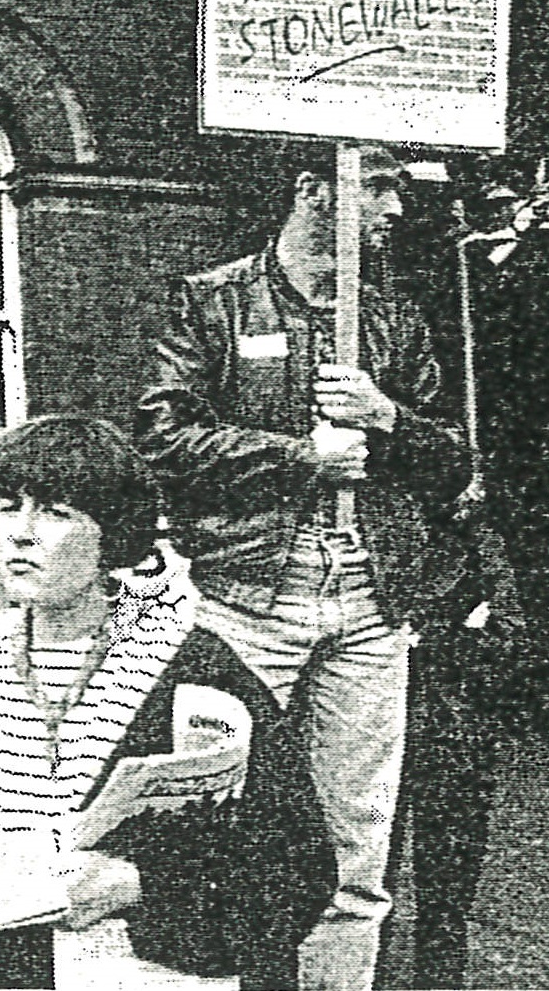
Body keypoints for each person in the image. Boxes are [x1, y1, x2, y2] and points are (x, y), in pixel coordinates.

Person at [136, 144, 470, 991]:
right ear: (314, 191)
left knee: (358, 843)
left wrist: (386, 416)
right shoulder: (213, 300)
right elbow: (161, 438)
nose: (395, 211)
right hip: (245, 600)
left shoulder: (395, 319)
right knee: (212, 816)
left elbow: (454, 463)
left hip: (369, 605)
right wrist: (299, 457)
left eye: (400, 191)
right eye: (380, 187)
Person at [0, 415, 335, 990]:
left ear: (111, 535)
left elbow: (298, 866)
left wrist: (142, 886)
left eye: (57, 513)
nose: (20, 531)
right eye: (10, 506)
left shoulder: (196, 671)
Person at [389, 488, 519, 990]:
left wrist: (437, 640)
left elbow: (510, 636)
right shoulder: (374, 527)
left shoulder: (473, 539)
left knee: (446, 900)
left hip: (454, 732)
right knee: (363, 884)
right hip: (381, 726)